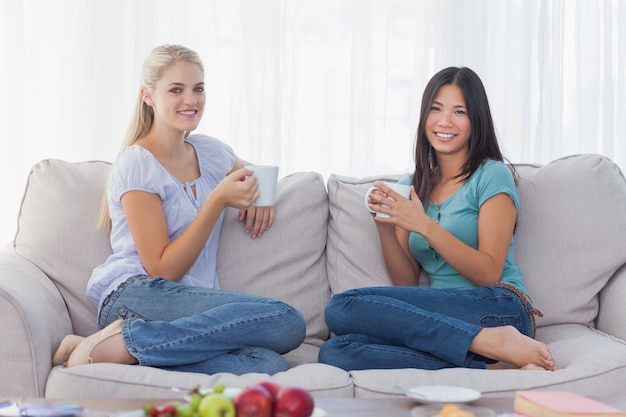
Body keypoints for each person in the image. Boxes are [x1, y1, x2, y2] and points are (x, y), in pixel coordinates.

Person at [52, 44, 306, 375]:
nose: (191, 100)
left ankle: (112, 345)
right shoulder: (137, 162)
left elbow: (260, 175)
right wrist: (217, 201)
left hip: (184, 304)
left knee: (266, 363)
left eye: (198, 89)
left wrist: (265, 194)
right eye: (176, 90)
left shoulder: (210, 153)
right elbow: (162, 269)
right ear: (148, 96)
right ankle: (125, 339)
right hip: (137, 294)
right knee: (286, 321)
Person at [318, 66, 556, 372]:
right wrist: (384, 222)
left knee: (342, 307)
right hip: (445, 317)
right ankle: (490, 362)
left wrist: (424, 225)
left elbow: (488, 272)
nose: (445, 122)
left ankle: (496, 342)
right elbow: (406, 281)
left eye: (459, 111)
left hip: (499, 306)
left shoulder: (491, 175)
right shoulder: (415, 185)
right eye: (436, 109)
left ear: (476, 121)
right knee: (337, 352)